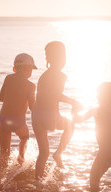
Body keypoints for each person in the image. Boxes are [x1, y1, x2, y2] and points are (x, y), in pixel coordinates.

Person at [32, 41, 82, 180]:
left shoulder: (44, 75)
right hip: (49, 115)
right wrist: (74, 102)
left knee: (43, 153)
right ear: (62, 58)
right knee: (71, 125)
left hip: (36, 115)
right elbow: (56, 95)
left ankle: (37, 181)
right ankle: (58, 153)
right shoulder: (60, 75)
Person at [0, 53, 37, 168]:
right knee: (25, 137)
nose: (31, 72)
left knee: (4, 153)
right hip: (17, 120)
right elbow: (32, 107)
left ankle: (0, 175)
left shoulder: (8, 78)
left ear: (15, 68)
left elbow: (1, 98)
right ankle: (21, 158)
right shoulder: (31, 86)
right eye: (31, 69)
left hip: (3, 119)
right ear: (28, 69)